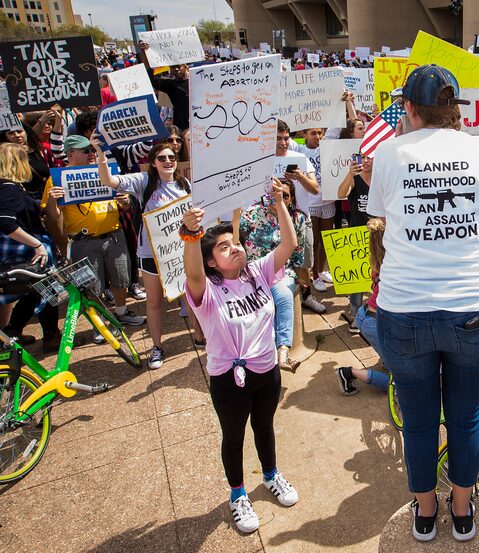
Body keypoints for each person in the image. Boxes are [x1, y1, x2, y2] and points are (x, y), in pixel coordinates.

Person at [368, 64, 479, 542]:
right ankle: (464, 508)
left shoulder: (388, 155)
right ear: (455, 110)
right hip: (472, 306)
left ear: (408, 108)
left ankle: (426, 512)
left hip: (405, 307)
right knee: (465, 416)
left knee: (418, 417)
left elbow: (382, 224)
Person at [181, 188, 298, 533]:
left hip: (267, 372)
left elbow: (288, 245)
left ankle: (271, 475)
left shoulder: (258, 272)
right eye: (224, 247)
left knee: (265, 426)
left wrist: (279, 203)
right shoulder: (207, 290)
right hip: (228, 379)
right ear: (211, 262)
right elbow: (192, 274)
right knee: (233, 437)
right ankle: (237, 495)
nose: (235, 248)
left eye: (235, 242)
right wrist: (191, 235)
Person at [94, 141, 191, 369]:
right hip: (151, 254)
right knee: (154, 302)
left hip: (181, 251)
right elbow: (108, 181)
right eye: (162, 158)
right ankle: (156, 347)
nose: (168, 161)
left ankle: (199, 337)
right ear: (153, 162)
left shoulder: (183, 183)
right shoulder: (144, 181)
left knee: (190, 296)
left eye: (172, 158)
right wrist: (101, 156)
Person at [42, 135, 145, 338]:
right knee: (93, 284)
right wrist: (53, 201)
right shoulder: (57, 179)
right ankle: (101, 323)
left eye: (92, 150)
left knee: (120, 277)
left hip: (113, 235)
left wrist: (125, 202)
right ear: (70, 154)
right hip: (84, 241)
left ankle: (121, 312)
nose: (91, 154)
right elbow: (52, 218)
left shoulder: (104, 172)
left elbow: (123, 204)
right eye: (86, 151)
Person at [240, 180, 309, 372]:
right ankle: (263, 351)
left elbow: (298, 251)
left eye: (284, 195)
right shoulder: (251, 214)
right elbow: (237, 241)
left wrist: (301, 275)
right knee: (260, 305)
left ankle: (283, 351)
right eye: (273, 193)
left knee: (285, 297)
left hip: (282, 271)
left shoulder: (297, 219)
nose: (277, 198)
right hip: (253, 272)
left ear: (291, 198)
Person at [0, 143, 58, 349]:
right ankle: (46, 336)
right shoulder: (9, 188)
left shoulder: (8, 187)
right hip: (24, 251)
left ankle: (12, 333)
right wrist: (37, 245)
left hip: (18, 250)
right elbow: (6, 221)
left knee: (36, 291)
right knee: (45, 290)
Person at [275, 120, 325, 315]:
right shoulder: (262, 161)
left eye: (286, 138)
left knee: (304, 263)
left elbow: (314, 188)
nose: (283, 142)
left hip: (301, 220)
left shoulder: (301, 158)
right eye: (278, 139)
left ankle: (306, 296)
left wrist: (299, 176)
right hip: (273, 222)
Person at [335, 217, 390, 394]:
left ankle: (388, 360)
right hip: (374, 321)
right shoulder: (394, 263)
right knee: (401, 385)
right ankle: (348, 373)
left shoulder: (379, 259)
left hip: (369, 316)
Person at [289, 128, 334, 292]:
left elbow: (334, 132)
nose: (317, 136)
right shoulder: (299, 150)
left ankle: (322, 270)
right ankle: (314, 276)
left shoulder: (326, 148)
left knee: (326, 239)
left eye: (319, 133)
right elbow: (284, 138)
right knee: (313, 241)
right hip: (311, 203)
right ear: (303, 134)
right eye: (313, 133)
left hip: (328, 200)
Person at [337, 152, 372, 331]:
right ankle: (355, 314)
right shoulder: (355, 179)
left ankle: (375, 313)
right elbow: (341, 193)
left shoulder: (382, 178)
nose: (365, 161)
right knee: (357, 281)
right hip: (356, 234)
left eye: (370, 157)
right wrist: (350, 174)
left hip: (379, 236)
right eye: (362, 157)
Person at [139, 41, 190, 131]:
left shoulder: (196, 81)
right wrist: (144, 52)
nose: (176, 69)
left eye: (179, 66)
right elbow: (151, 75)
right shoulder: (169, 85)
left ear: (185, 67)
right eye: (173, 67)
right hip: (181, 127)